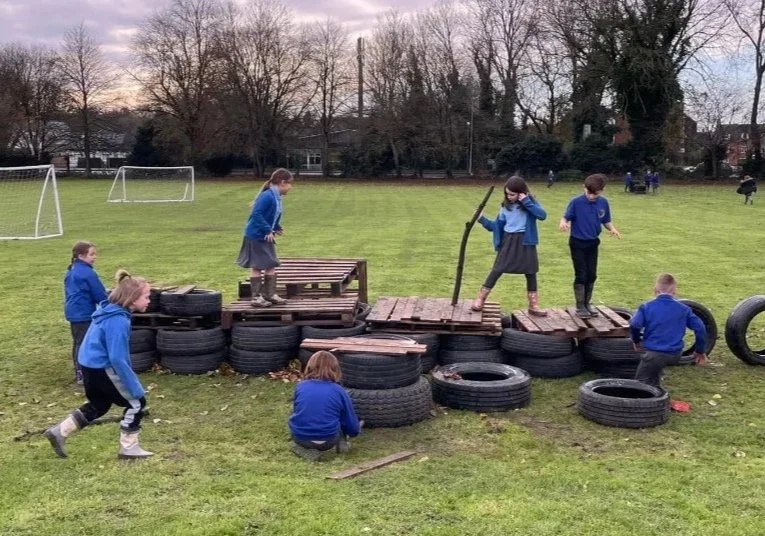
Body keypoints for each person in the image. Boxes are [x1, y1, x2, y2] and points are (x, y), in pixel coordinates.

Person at [45, 270, 154, 460]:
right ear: (133, 299)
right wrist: (134, 385)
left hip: (88, 364)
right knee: (137, 403)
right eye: (146, 296)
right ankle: (129, 448)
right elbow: (118, 358)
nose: (149, 301)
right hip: (102, 368)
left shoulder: (106, 310)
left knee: (99, 404)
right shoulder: (118, 321)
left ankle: (59, 432)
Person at [471, 176, 548, 316]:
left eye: (512, 194)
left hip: (526, 242)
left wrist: (526, 201)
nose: (509, 196)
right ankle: (480, 299)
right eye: (507, 193)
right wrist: (481, 219)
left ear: (521, 193)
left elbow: (542, 215)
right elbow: (496, 227)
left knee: (531, 273)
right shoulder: (505, 208)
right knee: (497, 270)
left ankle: (534, 305)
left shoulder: (530, 204)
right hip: (509, 242)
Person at [559, 173, 621, 318]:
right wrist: (563, 222)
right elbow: (566, 216)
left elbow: (605, 220)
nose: (591, 196)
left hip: (593, 243)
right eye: (589, 193)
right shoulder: (576, 202)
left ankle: (587, 303)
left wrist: (612, 229)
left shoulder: (603, 203)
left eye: (595, 194)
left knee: (592, 274)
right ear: (584, 188)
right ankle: (580, 306)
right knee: (581, 274)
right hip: (577, 242)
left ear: (602, 191)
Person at [630, 273, 708, 387]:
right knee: (655, 368)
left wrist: (636, 341)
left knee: (639, 385)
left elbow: (635, 325)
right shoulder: (684, 309)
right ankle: (656, 383)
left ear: (655, 290)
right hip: (675, 355)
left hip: (653, 354)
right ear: (675, 291)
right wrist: (700, 351)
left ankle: (651, 398)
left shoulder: (646, 307)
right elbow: (700, 328)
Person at [288, 351, 362, 461]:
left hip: (301, 438)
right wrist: (355, 430)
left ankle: (302, 449)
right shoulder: (339, 391)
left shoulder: (301, 387)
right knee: (340, 417)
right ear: (335, 369)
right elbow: (350, 423)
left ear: (309, 367)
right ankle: (342, 443)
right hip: (328, 440)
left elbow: (298, 411)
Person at [236, 168, 294, 307]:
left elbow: (272, 215)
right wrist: (268, 229)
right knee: (257, 266)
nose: (291, 187)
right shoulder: (268, 196)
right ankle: (256, 298)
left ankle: (270, 294)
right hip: (256, 235)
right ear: (282, 182)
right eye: (290, 184)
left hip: (266, 235)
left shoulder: (276, 196)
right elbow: (256, 214)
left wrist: (276, 227)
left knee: (271, 263)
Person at [64, 241, 108, 385]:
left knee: (78, 341)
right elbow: (99, 294)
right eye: (92, 254)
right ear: (81, 255)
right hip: (82, 313)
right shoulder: (87, 273)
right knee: (82, 342)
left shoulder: (72, 269)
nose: (95, 257)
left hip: (73, 311)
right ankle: (81, 373)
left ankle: (81, 370)